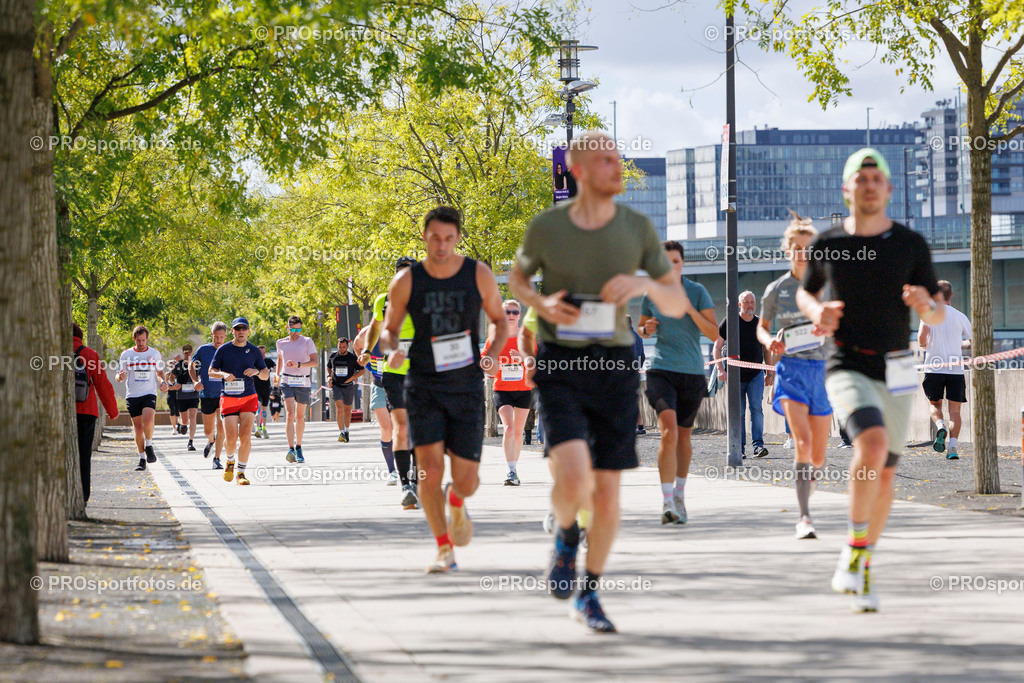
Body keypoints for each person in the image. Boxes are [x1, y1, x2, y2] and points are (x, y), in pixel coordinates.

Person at [510, 130, 687, 632]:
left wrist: (648, 283)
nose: (618, 166)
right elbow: (519, 279)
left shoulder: (637, 228)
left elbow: (675, 303)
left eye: (619, 157)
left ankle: (589, 593)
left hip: (612, 367)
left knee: (607, 495)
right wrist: (541, 304)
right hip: (561, 364)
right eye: (607, 160)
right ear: (580, 170)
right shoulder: (547, 227)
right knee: (571, 477)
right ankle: (567, 533)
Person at [797, 148, 944, 613]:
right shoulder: (829, 243)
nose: (868, 184)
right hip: (847, 362)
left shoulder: (911, 244)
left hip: (898, 366)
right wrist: (816, 311)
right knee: (872, 446)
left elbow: (936, 309)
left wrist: (926, 305)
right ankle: (856, 550)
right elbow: (806, 292)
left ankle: (860, 562)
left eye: (875, 177)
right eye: (859, 178)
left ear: (889, 188)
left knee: (886, 477)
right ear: (847, 189)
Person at [381, 206, 505, 573]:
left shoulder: (477, 274)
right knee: (429, 472)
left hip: (466, 384)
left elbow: (499, 320)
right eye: (435, 237)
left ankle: (457, 499)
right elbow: (389, 329)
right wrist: (390, 349)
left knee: (466, 480)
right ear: (424, 236)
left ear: (458, 239)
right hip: (423, 384)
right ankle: (443, 549)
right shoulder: (407, 281)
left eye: (449, 238)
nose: (441, 245)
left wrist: (492, 354)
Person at [758, 215, 832, 539]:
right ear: (787, 250)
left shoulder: (828, 286)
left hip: (823, 372)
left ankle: (808, 484)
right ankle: (804, 518)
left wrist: (827, 326)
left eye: (808, 248)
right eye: (797, 248)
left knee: (817, 454)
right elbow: (762, 327)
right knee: (801, 443)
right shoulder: (776, 289)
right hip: (792, 371)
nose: (803, 253)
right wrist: (768, 341)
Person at [636, 240, 718, 525]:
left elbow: (714, 332)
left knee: (684, 436)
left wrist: (690, 310)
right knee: (668, 429)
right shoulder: (653, 294)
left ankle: (680, 494)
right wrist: (646, 329)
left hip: (692, 372)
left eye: (675, 261)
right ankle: (667, 500)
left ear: (682, 263)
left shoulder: (697, 292)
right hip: (660, 369)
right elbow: (642, 328)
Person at [364, 257, 420, 508]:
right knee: (401, 427)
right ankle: (406, 485)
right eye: (400, 273)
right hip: (393, 372)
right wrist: (366, 349)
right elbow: (374, 327)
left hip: (422, 372)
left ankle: (419, 477)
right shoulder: (383, 301)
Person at [210, 317, 269, 485]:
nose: (241, 331)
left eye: (244, 328)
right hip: (228, 398)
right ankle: (230, 461)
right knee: (231, 439)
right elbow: (210, 371)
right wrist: (223, 374)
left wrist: (256, 372)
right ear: (232, 331)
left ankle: (241, 474)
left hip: (249, 397)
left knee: (245, 437)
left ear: (249, 331)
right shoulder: (223, 350)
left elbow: (265, 375)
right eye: (238, 329)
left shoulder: (254, 351)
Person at [714, 291, 773, 458]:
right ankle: (738, 449)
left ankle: (758, 446)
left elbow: (766, 349)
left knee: (756, 409)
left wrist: (769, 372)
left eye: (752, 302)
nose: (750, 305)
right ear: (739, 305)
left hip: (755, 375)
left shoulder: (760, 324)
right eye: (746, 302)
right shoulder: (730, 322)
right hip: (735, 376)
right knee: (738, 412)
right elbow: (717, 347)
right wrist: (720, 369)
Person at [918, 279, 972, 459]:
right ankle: (953, 447)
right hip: (955, 369)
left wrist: (927, 345)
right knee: (955, 411)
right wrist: (961, 344)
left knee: (935, 404)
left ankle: (940, 426)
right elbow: (974, 341)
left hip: (934, 367)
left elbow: (921, 339)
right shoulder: (960, 316)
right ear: (952, 295)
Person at [484, 299, 531, 486]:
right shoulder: (495, 339)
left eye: (514, 312)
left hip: (524, 389)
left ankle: (515, 467)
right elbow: (487, 367)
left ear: (519, 315)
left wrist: (523, 358)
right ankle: (511, 470)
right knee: (509, 428)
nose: (511, 316)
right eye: (507, 312)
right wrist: (491, 365)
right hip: (502, 389)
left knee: (518, 433)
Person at [73, 322, 118, 503]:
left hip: (62, 414)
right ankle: (83, 496)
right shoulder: (90, 354)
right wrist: (112, 411)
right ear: (81, 336)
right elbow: (103, 385)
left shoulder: (54, 353)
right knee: (84, 456)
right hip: (87, 411)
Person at [115, 325, 167, 471]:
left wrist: (162, 382)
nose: (141, 343)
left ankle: (149, 445)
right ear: (134, 339)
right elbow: (118, 375)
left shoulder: (154, 354)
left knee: (148, 420)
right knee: (138, 429)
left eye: (143, 340)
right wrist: (120, 377)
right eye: (138, 340)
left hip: (149, 392)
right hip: (132, 395)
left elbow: (159, 372)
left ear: (147, 339)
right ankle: (142, 458)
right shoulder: (126, 355)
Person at [355, 324, 397, 484]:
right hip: (379, 385)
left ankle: (410, 470)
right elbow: (356, 345)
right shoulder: (368, 333)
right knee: (386, 429)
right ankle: (392, 471)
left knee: (401, 429)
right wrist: (366, 365)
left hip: (399, 385)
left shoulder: (403, 328)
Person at [276, 315, 317, 463]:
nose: (296, 332)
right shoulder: (281, 343)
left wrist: (299, 365)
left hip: (303, 382)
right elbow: (280, 359)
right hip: (286, 381)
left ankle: (299, 446)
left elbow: (315, 362)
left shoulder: (307, 341)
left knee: (300, 417)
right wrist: (277, 375)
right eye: (293, 329)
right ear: (288, 327)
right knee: (289, 414)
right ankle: (290, 448)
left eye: (299, 329)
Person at [191, 322, 228, 469]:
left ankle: (217, 459)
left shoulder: (229, 350)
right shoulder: (203, 350)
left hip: (224, 394)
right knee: (208, 430)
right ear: (211, 335)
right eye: (216, 337)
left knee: (221, 426)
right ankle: (211, 440)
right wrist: (195, 382)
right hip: (206, 394)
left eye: (221, 337)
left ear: (226, 336)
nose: (219, 340)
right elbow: (191, 366)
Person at [327, 337, 364, 442]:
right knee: (339, 407)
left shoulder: (352, 357)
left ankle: (347, 430)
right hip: (336, 385)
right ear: (337, 346)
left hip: (348, 386)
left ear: (347, 346)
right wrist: (329, 376)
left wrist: (352, 378)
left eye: (343, 347)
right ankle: (341, 432)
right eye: (340, 347)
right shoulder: (333, 356)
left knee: (347, 409)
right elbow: (328, 367)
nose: (341, 349)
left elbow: (361, 370)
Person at [171, 344, 200, 451]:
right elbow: (171, 377)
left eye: (189, 353)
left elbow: (200, 376)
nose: (188, 355)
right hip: (182, 395)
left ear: (192, 353)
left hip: (193, 394)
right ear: (183, 353)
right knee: (185, 420)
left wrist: (199, 382)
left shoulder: (196, 364)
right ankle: (181, 424)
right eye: (186, 353)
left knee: (193, 416)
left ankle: (190, 442)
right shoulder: (178, 365)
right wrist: (174, 384)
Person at [628, 315, 647, 435]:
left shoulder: (624, 337)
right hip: (635, 372)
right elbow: (643, 356)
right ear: (632, 322)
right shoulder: (638, 337)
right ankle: (640, 426)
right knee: (634, 400)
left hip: (624, 373)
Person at [253, 344, 276, 439]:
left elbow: (276, 368)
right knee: (258, 407)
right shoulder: (253, 361)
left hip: (266, 388)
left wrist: (271, 371)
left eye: (263, 352)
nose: (262, 354)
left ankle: (264, 427)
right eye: (260, 352)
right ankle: (258, 428)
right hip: (255, 387)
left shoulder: (268, 361)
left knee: (264, 409)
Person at [166, 353, 182, 435]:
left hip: (178, 394)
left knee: (179, 411)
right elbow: (166, 387)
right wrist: (173, 387)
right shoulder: (167, 375)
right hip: (171, 394)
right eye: (171, 365)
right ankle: (174, 428)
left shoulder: (179, 374)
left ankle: (180, 425)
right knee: (172, 411)